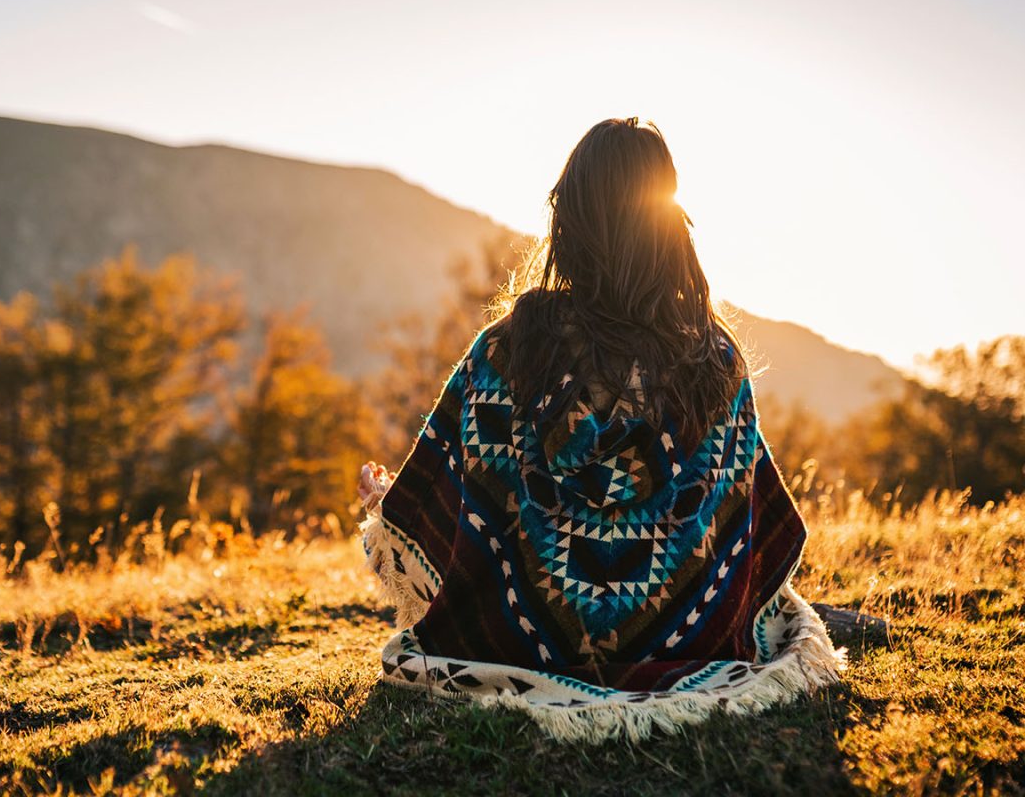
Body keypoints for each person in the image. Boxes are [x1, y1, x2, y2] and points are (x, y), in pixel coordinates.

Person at [357, 118, 843, 744]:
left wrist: (394, 504)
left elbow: (455, 526)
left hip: (518, 650)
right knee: (782, 618)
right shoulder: (712, 363)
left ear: (570, 221)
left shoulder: (505, 355)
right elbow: (743, 534)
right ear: (668, 226)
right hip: (693, 643)